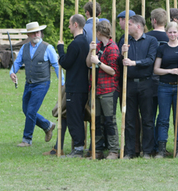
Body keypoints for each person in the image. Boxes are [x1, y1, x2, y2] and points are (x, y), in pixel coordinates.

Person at [10, 21, 62, 147]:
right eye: (33, 33)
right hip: (29, 83)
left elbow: (56, 65)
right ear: (29, 35)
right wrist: (12, 71)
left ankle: (27, 139)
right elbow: (18, 62)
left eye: (37, 32)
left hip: (42, 83)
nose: (36, 34)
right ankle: (47, 125)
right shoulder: (24, 48)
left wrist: (62, 81)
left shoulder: (48, 47)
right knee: (26, 109)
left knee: (31, 110)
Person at [119, 15, 159, 159]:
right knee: (129, 118)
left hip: (146, 83)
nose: (126, 26)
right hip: (128, 83)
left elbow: (150, 60)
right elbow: (119, 62)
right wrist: (121, 53)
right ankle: (130, 151)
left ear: (138, 26)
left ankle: (147, 151)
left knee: (147, 118)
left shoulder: (151, 41)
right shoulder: (124, 40)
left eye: (129, 24)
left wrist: (134, 63)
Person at [154, 21, 178, 158]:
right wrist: (170, 70)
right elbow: (156, 69)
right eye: (170, 32)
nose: (172, 35)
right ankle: (161, 149)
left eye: (174, 32)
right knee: (163, 118)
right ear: (166, 33)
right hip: (164, 86)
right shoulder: (162, 48)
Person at [86, 20, 120, 160]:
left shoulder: (112, 48)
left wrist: (99, 63)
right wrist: (90, 50)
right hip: (96, 88)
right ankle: (98, 149)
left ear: (99, 33)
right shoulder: (98, 46)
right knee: (97, 121)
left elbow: (113, 71)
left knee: (109, 120)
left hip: (108, 90)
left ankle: (114, 150)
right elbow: (88, 63)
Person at [57, 14, 90, 157]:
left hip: (75, 87)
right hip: (82, 85)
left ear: (76, 24)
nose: (69, 26)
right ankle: (78, 146)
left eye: (70, 24)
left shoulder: (75, 44)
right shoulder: (86, 42)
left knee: (74, 118)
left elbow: (65, 63)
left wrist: (60, 49)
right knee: (77, 116)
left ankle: (78, 148)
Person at [146, 8, 169, 155]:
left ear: (153, 21)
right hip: (166, 80)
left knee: (150, 115)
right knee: (164, 116)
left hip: (149, 80)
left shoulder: (147, 36)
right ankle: (160, 145)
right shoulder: (171, 36)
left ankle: (152, 146)